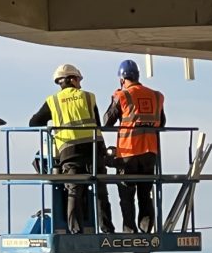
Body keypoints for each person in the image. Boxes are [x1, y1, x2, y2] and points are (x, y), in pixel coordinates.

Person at [30, 64, 115, 234]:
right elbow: (97, 125)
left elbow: (34, 123)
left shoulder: (53, 101)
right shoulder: (89, 97)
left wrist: (53, 129)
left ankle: (75, 230)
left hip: (69, 153)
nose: (80, 83)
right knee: (100, 191)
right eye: (79, 79)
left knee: (73, 191)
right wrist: (104, 152)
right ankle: (107, 229)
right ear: (73, 80)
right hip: (93, 150)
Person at [103, 60, 166, 234]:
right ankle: (146, 229)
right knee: (145, 193)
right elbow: (162, 122)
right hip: (150, 153)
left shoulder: (122, 96)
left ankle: (129, 231)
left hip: (128, 153)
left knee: (126, 194)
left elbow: (106, 121)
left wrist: (115, 97)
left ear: (122, 79)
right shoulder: (156, 96)